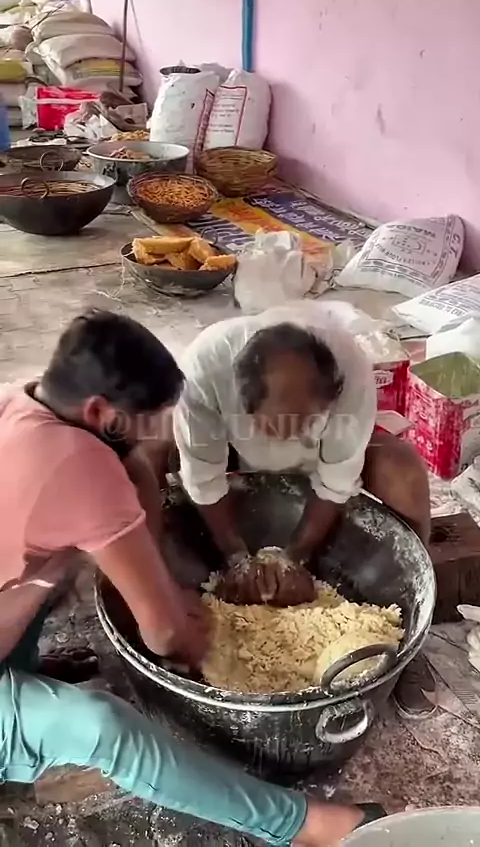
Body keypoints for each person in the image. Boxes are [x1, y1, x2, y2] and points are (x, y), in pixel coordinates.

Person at [0, 309, 366, 847]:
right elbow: (168, 636)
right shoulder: (79, 466)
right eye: (148, 421)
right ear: (100, 411)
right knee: (105, 727)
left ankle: (22, 674)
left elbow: (135, 478)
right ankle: (302, 825)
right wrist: (195, 634)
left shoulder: (20, 400)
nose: (158, 436)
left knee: (42, 566)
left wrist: (165, 586)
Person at [174, 301, 435, 719]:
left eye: (305, 420)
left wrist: (296, 556)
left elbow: (338, 478)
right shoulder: (204, 370)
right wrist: (237, 557)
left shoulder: (348, 368)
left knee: (403, 471)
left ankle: (410, 646)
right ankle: (161, 609)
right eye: (278, 423)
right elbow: (203, 476)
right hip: (233, 455)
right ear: (244, 402)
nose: (290, 433)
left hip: (316, 460)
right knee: (148, 454)